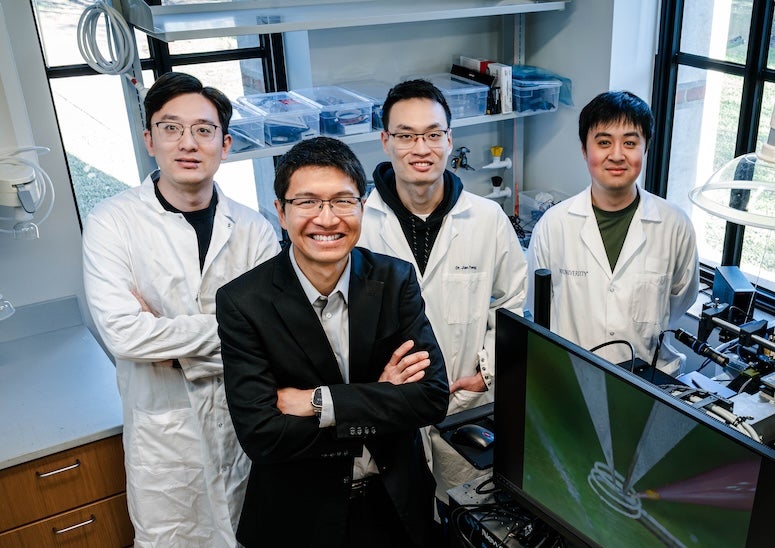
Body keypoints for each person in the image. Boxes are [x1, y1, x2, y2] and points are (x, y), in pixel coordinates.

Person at [216, 136, 449, 548]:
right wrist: (382, 395)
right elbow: (262, 435)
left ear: (363, 207)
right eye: (307, 202)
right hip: (301, 515)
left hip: (396, 504)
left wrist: (318, 403)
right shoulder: (244, 302)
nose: (327, 219)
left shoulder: (394, 281)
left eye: (343, 201)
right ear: (281, 213)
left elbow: (431, 398)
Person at [82, 72, 281, 547]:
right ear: (149, 140)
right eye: (171, 128)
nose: (187, 143)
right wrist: (237, 335)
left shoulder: (254, 229)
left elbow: (277, 336)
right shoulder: (112, 224)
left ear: (226, 144)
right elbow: (124, 335)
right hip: (164, 441)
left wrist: (170, 348)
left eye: (204, 130)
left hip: (245, 428)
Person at [357, 79, 527, 518]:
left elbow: (516, 300)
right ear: (385, 141)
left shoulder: (486, 218)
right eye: (406, 135)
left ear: (450, 141)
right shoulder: (359, 224)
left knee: (475, 520)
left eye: (433, 134)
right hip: (390, 412)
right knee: (404, 526)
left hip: (466, 406)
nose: (421, 148)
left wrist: (488, 372)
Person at [526, 90, 699, 374]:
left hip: (648, 381)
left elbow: (681, 299)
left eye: (630, 142)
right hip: (573, 377)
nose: (617, 155)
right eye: (604, 142)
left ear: (646, 148)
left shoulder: (675, 225)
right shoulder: (554, 225)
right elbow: (537, 303)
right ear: (584, 150)